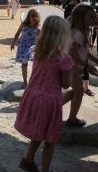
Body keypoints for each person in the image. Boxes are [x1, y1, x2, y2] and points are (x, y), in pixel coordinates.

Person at [14, 15, 74, 172]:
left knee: (38, 133)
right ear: (63, 36)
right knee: (50, 140)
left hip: (33, 96)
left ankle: (28, 160)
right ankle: (45, 169)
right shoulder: (64, 59)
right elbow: (66, 84)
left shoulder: (38, 53)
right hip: (49, 102)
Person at [67, 4, 98, 127]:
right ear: (81, 17)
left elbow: (84, 52)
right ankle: (71, 118)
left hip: (77, 67)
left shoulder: (83, 31)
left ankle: (65, 115)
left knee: (76, 92)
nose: (94, 19)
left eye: (94, 16)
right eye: (91, 17)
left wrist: (97, 61)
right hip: (73, 67)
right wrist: (87, 66)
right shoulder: (78, 33)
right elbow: (72, 53)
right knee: (78, 92)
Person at [11, 9, 41, 89]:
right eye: (32, 16)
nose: (34, 18)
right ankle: (25, 81)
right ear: (29, 17)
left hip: (33, 47)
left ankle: (33, 80)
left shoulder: (38, 27)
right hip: (23, 45)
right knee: (24, 63)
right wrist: (13, 43)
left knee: (35, 63)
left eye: (36, 16)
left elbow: (40, 39)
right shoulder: (24, 24)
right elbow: (17, 33)